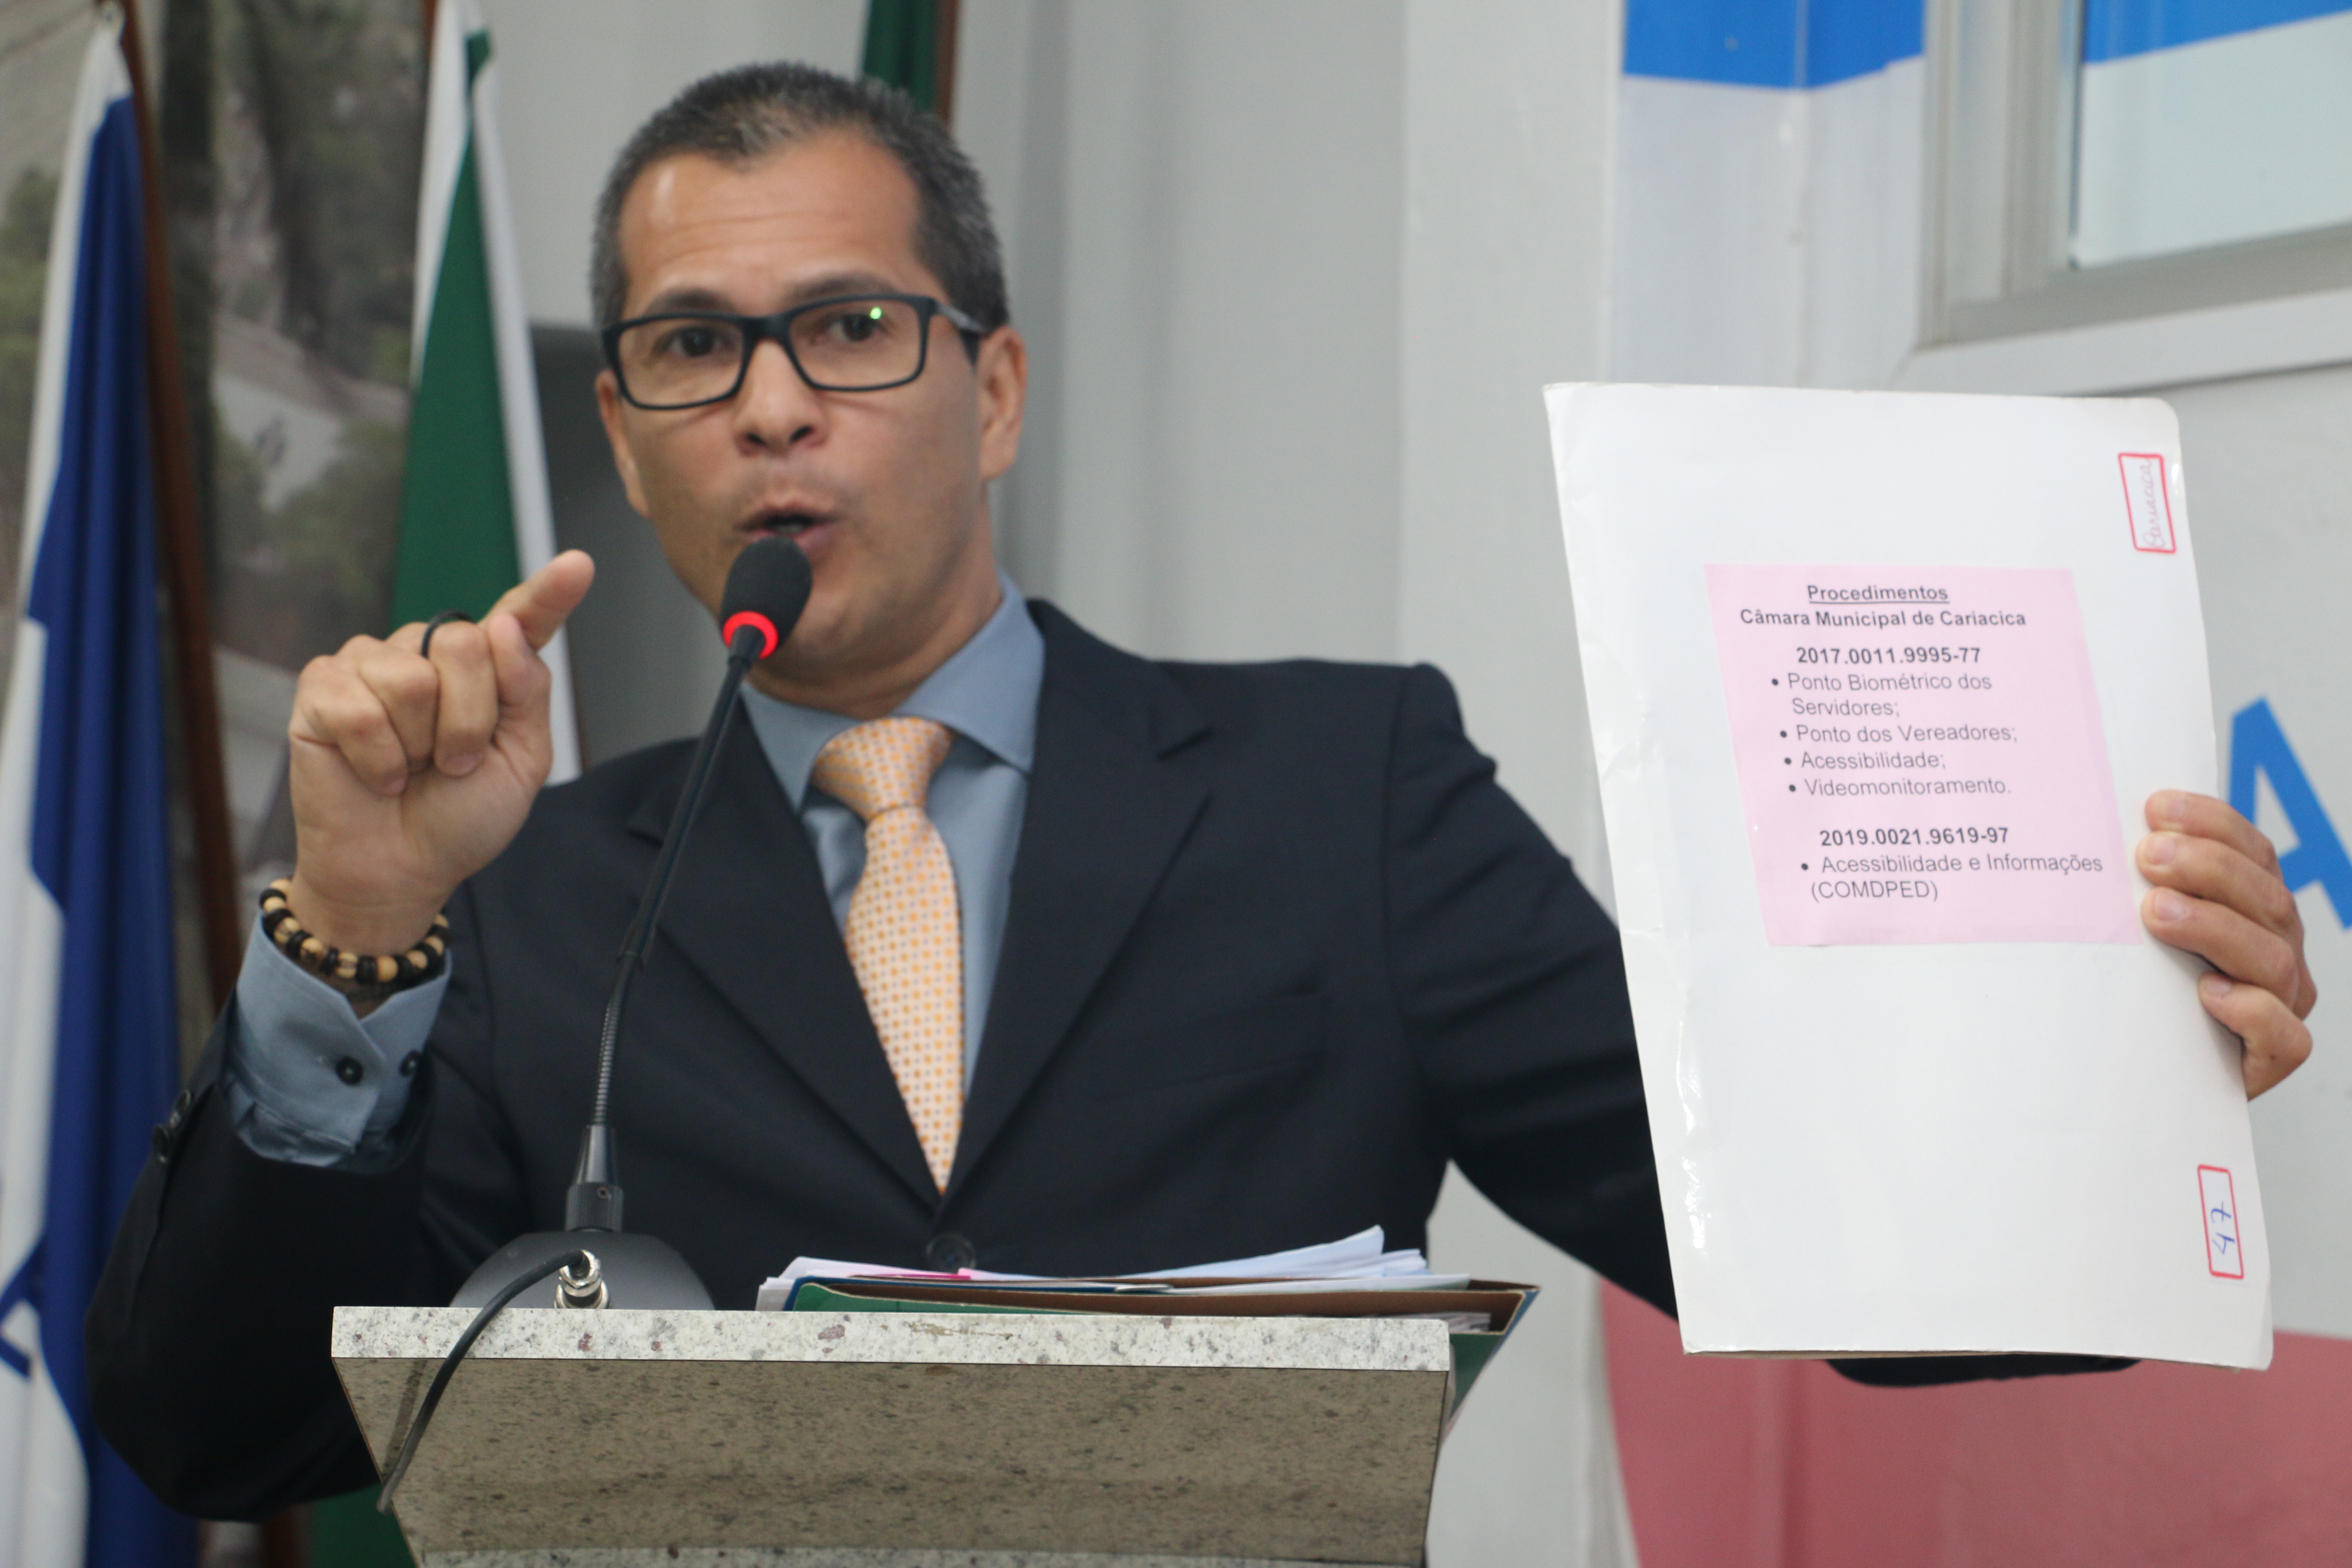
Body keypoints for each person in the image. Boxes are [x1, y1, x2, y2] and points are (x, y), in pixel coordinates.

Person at [89, 63, 2316, 1519]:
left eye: (850, 327)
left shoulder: (1345, 791)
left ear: (994, 390)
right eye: (691, 346)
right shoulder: (531, 885)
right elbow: (225, 1435)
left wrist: (2130, 1085)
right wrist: (349, 938)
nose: (771, 407)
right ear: (634, 432)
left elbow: (1784, 1240)